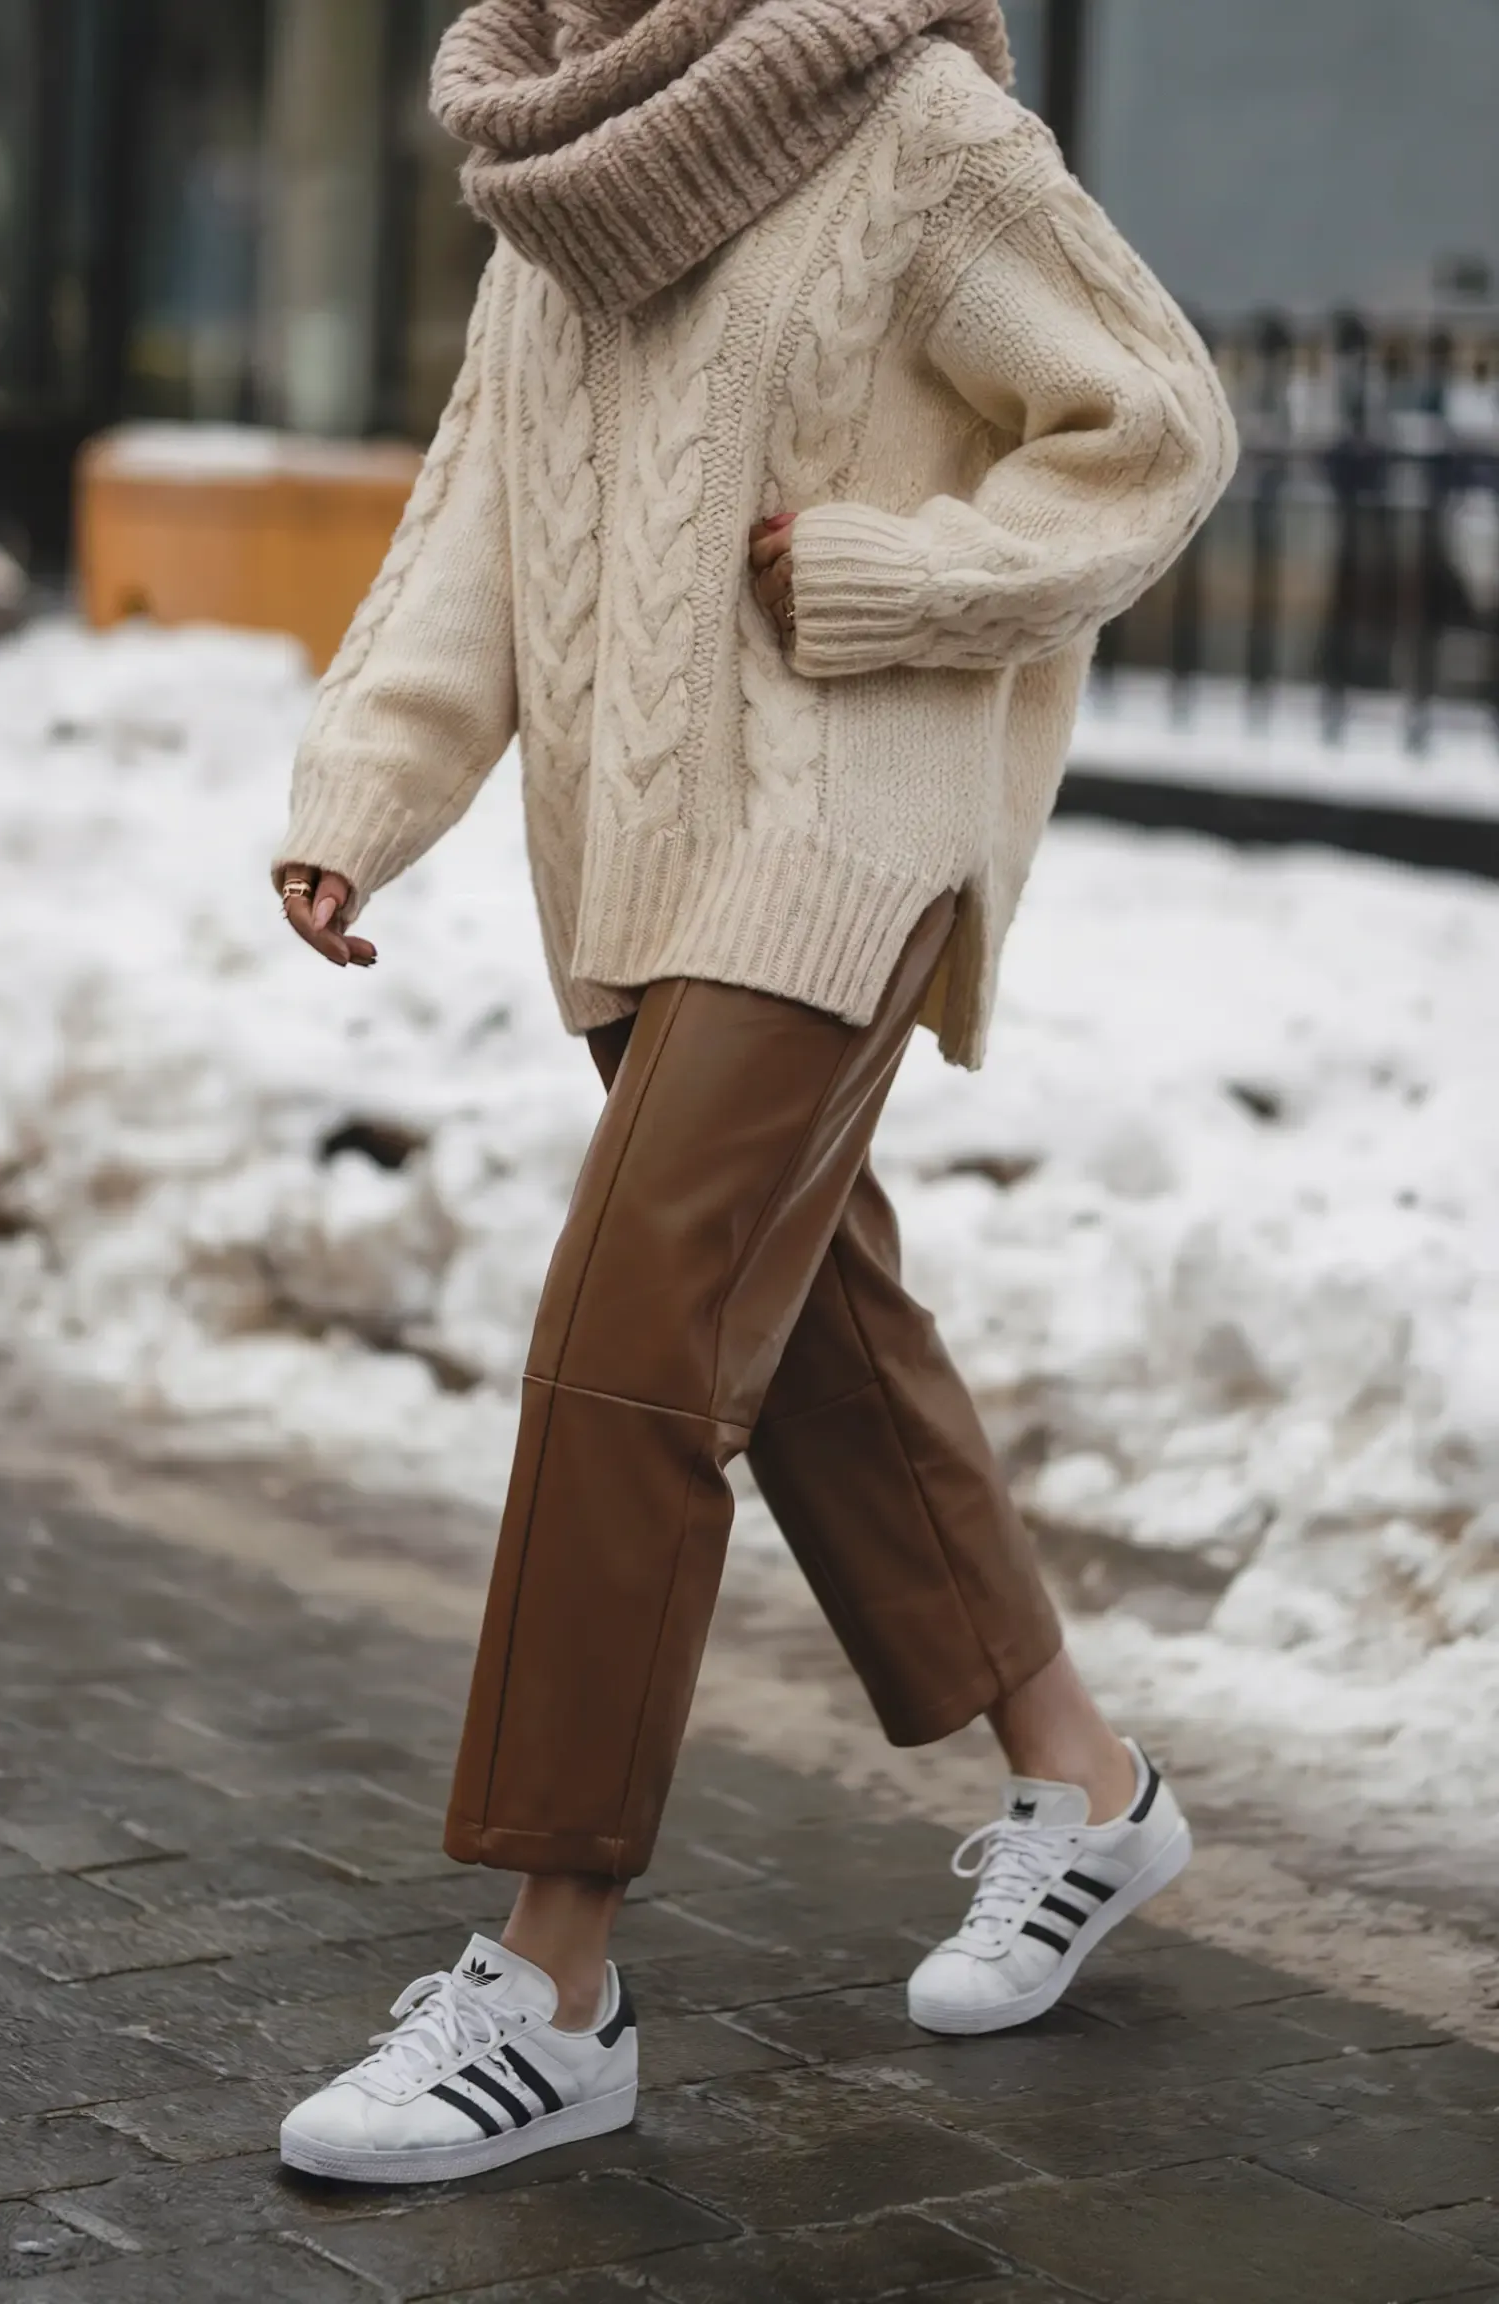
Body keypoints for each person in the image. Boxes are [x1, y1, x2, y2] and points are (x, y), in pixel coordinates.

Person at [271, 0, 1237, 2188]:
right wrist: (368, 785)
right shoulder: (554, 178)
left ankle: (551, 1981)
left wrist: (916, 578)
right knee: (804, 1334)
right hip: (636, 851)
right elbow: (476, 528)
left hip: (846, 819)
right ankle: (1084, 1781)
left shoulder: (912, 125)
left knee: (630, 1350)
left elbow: (1155, 421)